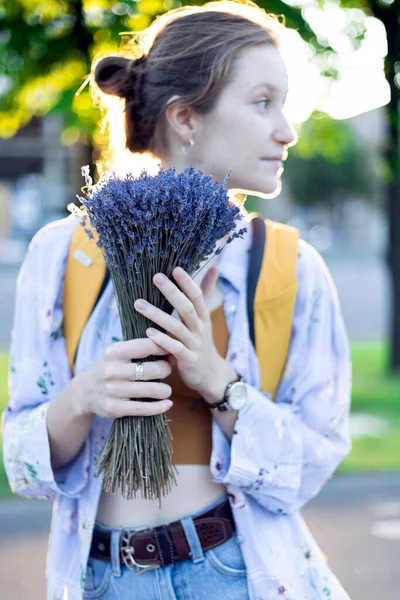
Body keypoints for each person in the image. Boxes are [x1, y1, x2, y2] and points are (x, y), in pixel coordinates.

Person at [2, 2, 352, 599]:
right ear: (186, 116)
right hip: (104, 580)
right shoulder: (63, 255)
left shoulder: (293, 270)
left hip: (239, 574)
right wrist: (84, 397)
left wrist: (221, 384)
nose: (288, 131)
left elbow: (312, 464)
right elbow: (23, 464)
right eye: (263, 101)